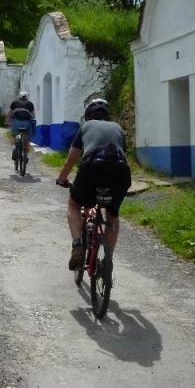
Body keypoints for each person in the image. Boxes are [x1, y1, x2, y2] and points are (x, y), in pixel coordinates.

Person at [55, 98, 132, 271]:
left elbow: (70, 160)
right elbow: (124, 157)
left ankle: (77, 246)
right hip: (119, 174)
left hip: (92, 170)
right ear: (108, 114)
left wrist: (61, 179)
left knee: (74, 204)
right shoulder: (117, 127)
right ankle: (108, 259)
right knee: (113, 214)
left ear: (87, 114)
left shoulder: (85, 127)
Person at [4, 91, 35, 166]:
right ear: (26, 97)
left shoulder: (14, 103)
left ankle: (15, 147)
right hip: (27, 123)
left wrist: (7, 121)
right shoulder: (30, 104)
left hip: (16, 123)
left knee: (13, 135)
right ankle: (26, 156)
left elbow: (9, 113)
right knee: (27, 140)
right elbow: (33, 116)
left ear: (19, 96)